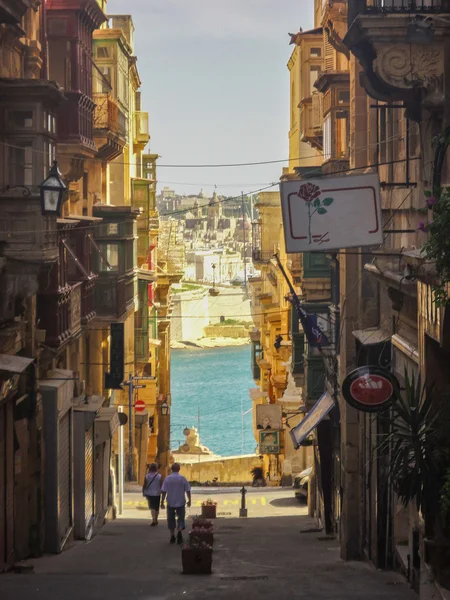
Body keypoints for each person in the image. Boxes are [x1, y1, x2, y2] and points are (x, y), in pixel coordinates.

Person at [160, 462, 191, 544]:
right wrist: (189, 500)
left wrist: (162, 502)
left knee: (171, 519)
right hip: (181, 502)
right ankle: (180, 532)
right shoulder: (182, 478)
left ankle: (172, 535)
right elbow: (188, 490)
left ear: (172, 469)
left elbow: (163, 491)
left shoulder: (167, 479)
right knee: (181, 519)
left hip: (170, 502)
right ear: (179, 469)